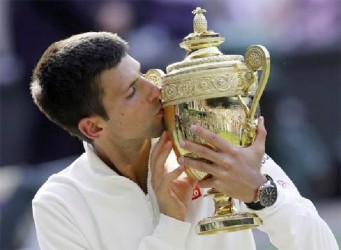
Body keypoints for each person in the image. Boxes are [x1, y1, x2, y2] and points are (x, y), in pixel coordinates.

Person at [30, 31, 338, 250]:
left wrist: (262, 193)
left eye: (142, 75)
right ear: (93, 128)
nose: (156, 89)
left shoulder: (215, 143)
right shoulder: (59, 203)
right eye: (131, 92)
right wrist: (171, 225)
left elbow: (321, 245)